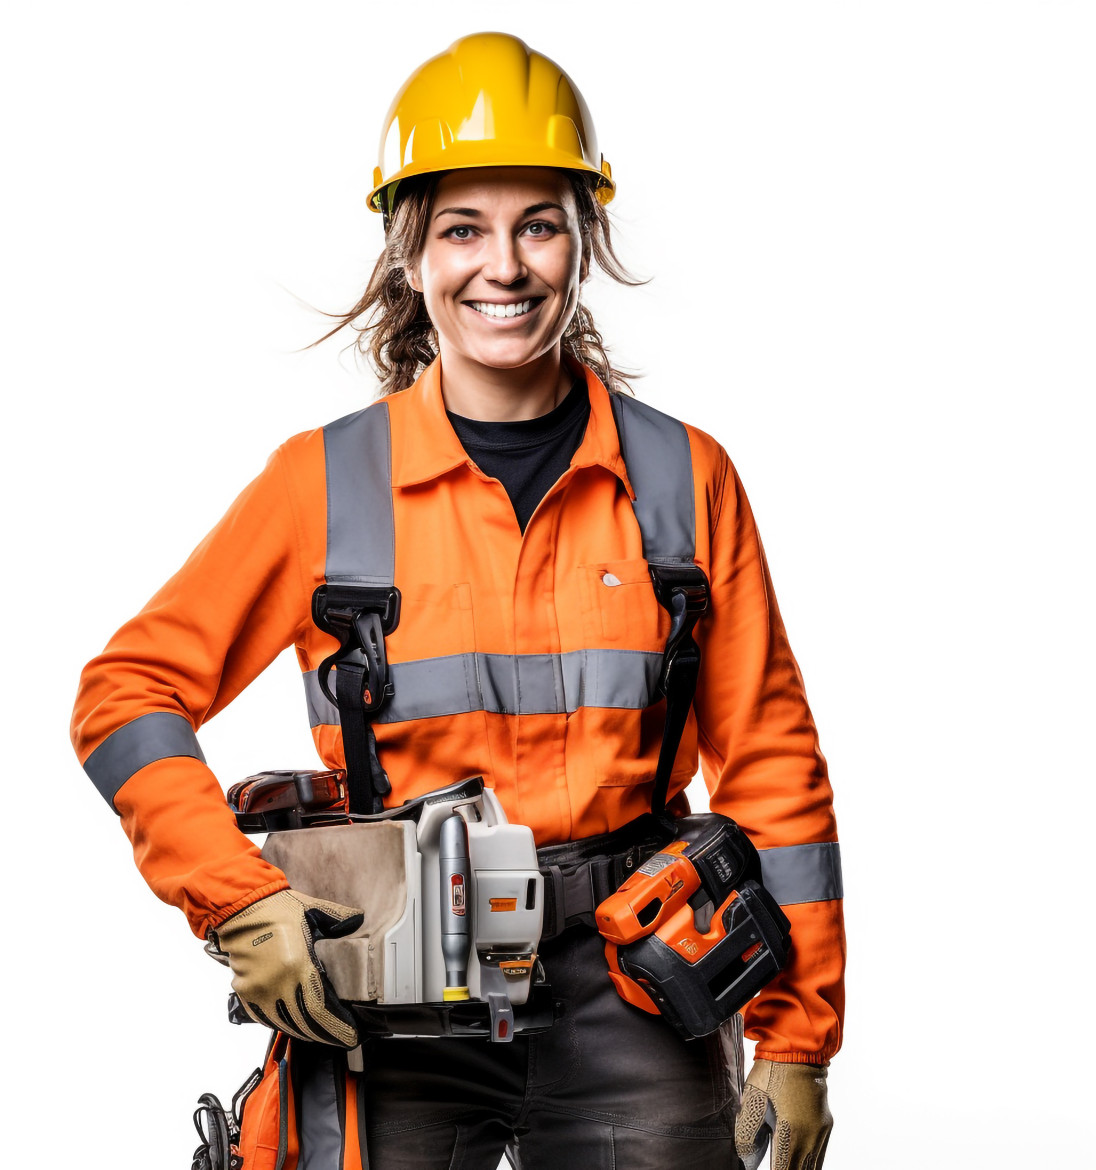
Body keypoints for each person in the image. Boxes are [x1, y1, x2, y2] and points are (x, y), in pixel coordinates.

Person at [71, 32, 844, 1170]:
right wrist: (235, 899)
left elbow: (771, 765)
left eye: (537, 223)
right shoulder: (322, 486)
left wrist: (799, 1039)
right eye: (461, 230)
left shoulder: (685, 481)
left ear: (584, 240)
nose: (504, 265)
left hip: (635, 984)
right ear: (409, 254)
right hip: (391, 987)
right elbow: (125, 694)